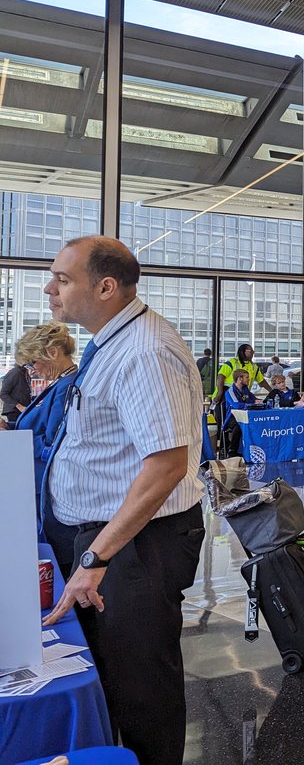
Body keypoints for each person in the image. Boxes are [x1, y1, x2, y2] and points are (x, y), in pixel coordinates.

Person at [39, 236, 205, 765]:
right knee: (115, 678)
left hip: (135, 546)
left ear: (106, 287)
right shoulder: (112, 342)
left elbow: (166, 466)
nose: (50, 289)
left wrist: (97, 557)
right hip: (112, 540)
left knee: (141, 691)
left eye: (63, 279)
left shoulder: (145, 351)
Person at [10, 321, 77, 509]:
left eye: (33, 362)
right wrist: (8, 428)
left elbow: (53, 443)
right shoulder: (61, 383)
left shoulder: (66, 386)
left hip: (41, 485)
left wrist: (13, 438)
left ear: (53, 352)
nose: (33, 369)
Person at [223, 368, 256, 452]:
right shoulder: (230, 391)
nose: (249, 379)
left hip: (246, 415)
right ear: (240, 379)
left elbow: (254, 399)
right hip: (233, 417)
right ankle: (232, 450)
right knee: (239, 426)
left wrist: (258, 402)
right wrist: (251, 404)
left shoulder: (245, 389)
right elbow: (236, 405)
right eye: (247, 377)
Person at [1, 358, 31, 425]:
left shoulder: (25, 374)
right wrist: (19, 406)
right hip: (14, 410)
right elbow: (3, 394)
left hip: (23, 409)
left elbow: (23, 393)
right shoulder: (15, 373)